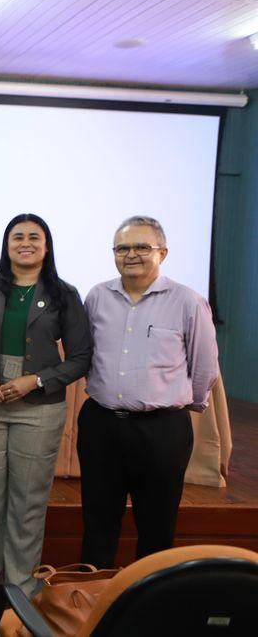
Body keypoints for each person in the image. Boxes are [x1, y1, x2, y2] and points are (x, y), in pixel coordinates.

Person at [0, 214, 91, 606]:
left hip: (39, 408)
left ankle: (19, 582)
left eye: (35, 237)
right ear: (7, 245)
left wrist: (35, 380)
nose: (26, 243)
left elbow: (81, 357)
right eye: (17, 237)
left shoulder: (64, 294)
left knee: (28, 499)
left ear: (47, 247)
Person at [79, 215, 219, 568]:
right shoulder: (97, 296)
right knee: (98, 521)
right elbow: (87, 353)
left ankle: (150, 597)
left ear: (163, 253)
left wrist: (180, 405)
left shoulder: (188, 301)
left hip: (162, 430)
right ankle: (93, 596)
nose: (131, 255)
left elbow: (204, 366)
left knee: (157, 525)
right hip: (102, 425)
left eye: (142, 246)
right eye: (122, 248)